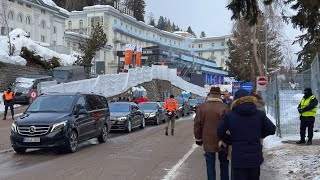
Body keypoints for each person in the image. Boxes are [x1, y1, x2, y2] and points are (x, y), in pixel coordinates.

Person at [218, 89, 276, 180]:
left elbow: (220, 132)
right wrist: (259, 135)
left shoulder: (230, 115)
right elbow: (272, 129)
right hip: (255, 157)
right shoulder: (259, 114)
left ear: (235, 101)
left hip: (238, 156)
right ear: (250, 99)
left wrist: (231, 140)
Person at [194, 87, 230, 180]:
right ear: (219, 95)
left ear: (210, 95)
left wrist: (198, 139)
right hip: (223, 140)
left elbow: (197, 124)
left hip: (208, 139)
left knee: (210, 163)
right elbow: (229, 125)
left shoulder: (201, 107)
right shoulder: (225, 107)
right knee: (224, 163)